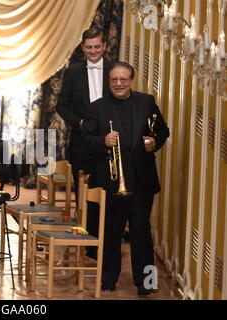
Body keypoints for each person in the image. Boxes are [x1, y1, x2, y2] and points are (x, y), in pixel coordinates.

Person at [82, 62, 170, 295]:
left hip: (141, 180)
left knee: (142, 233)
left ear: (131, 80)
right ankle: (108, 281)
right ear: (108, 82)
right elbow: (85, 142)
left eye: (123, 80)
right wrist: (103, 141)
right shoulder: (96, 108)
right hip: (111, 183)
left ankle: (147, 283)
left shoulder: (146, 101)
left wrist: (154, 143)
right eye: (114, 80)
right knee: (111, 232)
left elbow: (162, 131)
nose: (119, 84)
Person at [56, 27, 113, 258]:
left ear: (105, 46)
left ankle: (104, 245)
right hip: (81, 143)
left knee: (106, 194)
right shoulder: (73, 72)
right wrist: (78, 123)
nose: (93, 51)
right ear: (82, 47)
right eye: (89, 47)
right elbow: (61, 105)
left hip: (109, 141)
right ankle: (87, 246)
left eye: (97, 47)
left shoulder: (115, 70)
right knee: (84, 196)